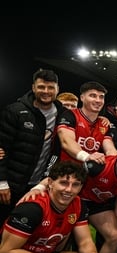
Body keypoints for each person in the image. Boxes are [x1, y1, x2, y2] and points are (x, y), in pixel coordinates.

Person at [0, 69, 65, 224]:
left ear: (57, 89)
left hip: (39, 184)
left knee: (26, 230)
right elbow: (1, 149)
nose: (46, 91)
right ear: (33, 87)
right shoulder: (14, 111)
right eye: (41, 87)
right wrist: (2, 183)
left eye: (51, 88)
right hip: (10, 184)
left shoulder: (63, 114)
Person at [53, 81, 114, 165]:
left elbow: (110, 150)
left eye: (101, 97)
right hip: (62, 167)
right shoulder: (70, 114)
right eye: (93, 96)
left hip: (85, 172)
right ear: (82, 97)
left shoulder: (104, 123)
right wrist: (87, 157)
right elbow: (66, 141)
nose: (98, 100)